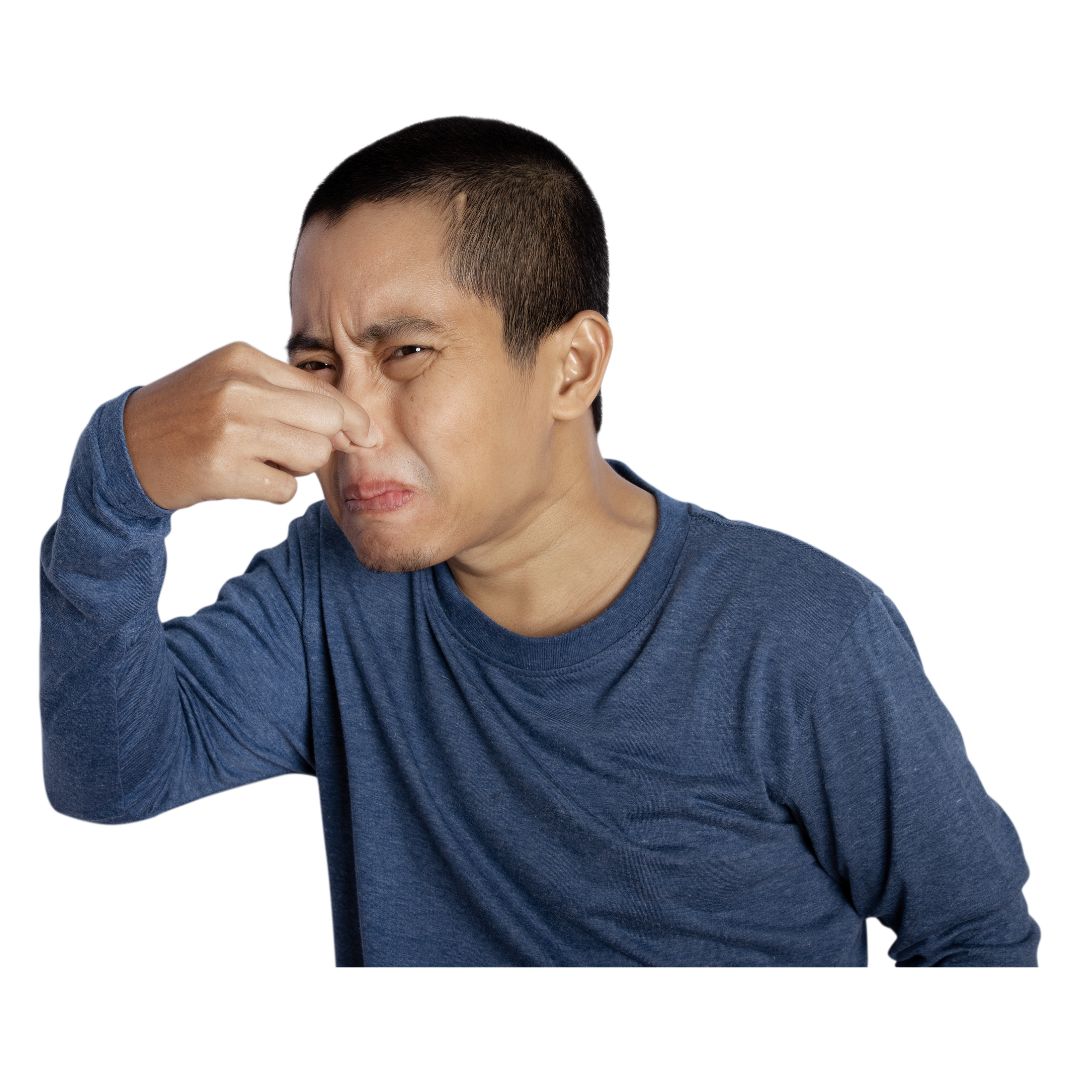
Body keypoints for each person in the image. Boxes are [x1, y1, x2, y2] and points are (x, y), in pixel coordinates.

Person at [39, 115, 1040, 967]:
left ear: (572, 367)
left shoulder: (799, 635)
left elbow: (976, 942)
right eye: (317, 364)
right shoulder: (327, 591)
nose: (349, 421)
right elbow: (112, 774)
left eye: (407, 351)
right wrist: (114, 490)